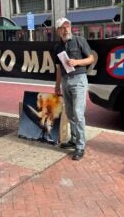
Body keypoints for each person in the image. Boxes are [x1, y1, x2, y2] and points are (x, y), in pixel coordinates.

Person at [54, 18, 94, 160]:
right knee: (70, 113)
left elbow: (90, 59)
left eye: (68, 26)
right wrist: (57, 85)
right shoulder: (57, 47)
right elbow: (58, 68)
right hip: (65, 81)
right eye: (63, 28)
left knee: (78, 113)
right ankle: (74, 139)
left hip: (79, 79)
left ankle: (80, 146)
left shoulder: (79, 40)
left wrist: (77, 62)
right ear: (58, 30)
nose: (66, 30)